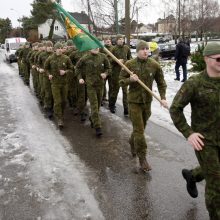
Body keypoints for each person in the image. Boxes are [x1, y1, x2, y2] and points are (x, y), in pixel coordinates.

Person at [170, 41, 220, 220]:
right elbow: (175, 108)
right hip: (205, 141)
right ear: (207, 59)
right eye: (218, 59)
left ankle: (192, 175)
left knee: (214, 171)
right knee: (216, 183)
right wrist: (188, 133)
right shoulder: (195, 83)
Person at [119, 40, 168, 172]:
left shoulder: (154, 65)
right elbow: (121, 82)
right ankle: (143, 159)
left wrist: (163, 97)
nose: (146, 51)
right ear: (137, 51)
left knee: (140, 128)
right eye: (143, 49)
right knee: (139, 130)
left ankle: (132, 141)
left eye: (147, 49)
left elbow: (161, 83)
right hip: (134, 102)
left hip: (147, 102)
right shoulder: (130, 65)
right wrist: (130, 79)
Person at [75, 48, 111, 136]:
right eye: (93, 46)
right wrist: (80, 78)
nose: (96, 48)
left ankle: (92, 118)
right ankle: (97, 126)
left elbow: (109, 68)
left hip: (100, 85)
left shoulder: (103, 57)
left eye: (97, 46)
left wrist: (105, 73)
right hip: (90, 85)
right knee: (94, 105)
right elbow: (77, 68)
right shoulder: (85, 58)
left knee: (98, 105)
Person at [44, 42, 73, 128]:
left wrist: (65, 72)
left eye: (61, 48)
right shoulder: (50, 58)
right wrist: (48, 74)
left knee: (64, 101)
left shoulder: (66, 58)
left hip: (64, 83)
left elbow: (71, 68)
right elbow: (46, 68)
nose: (60, 49)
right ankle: (59, 118)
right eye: (58, 48)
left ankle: (61, 113)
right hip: (55, 83)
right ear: (55, 49)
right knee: (58, 101)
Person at [109, 34, 132, 115]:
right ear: (116, 40)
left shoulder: (126, 48)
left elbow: (130, 58)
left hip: (125, 73)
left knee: (125, 91)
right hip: (116, 73)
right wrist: (117, 60)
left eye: (122, 39)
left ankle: (126, 109)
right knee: (115, 90)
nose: (121, 41)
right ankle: (111, 105)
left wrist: (128, 65)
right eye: (119, 39)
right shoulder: (113, 49)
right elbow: (109, 59)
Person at [100, 37, 114, 104]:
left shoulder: (113, 48)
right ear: (104, 41)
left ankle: (111, 99)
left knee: (111, 85)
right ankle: (103, 97)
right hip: (104, 70)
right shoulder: (101, 48)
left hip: (112, 70)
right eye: (106, 40)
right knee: (103, 85)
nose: (108, 41)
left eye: (109, 40)